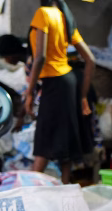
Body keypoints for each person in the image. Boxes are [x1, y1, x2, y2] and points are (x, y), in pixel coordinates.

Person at [24, 0, 95, 184]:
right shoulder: (65, 18)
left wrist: (29, 92)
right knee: (65, 141)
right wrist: (83, 95)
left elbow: (39, 57)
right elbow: (90, 60)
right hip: (68, 83)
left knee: (44, 141)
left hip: (55, 84)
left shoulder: (43, 14)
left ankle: (29, 191)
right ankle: (64, 190)